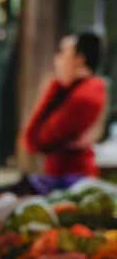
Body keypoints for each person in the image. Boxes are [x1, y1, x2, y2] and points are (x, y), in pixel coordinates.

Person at [22, 31, 108, 189]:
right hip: (59, 178)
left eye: (62, 53)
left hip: (71, 181)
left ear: (79, 59)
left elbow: (35, 139)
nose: (57, 59)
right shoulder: (74, 90)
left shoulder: (86, 94)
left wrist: (55, 86)